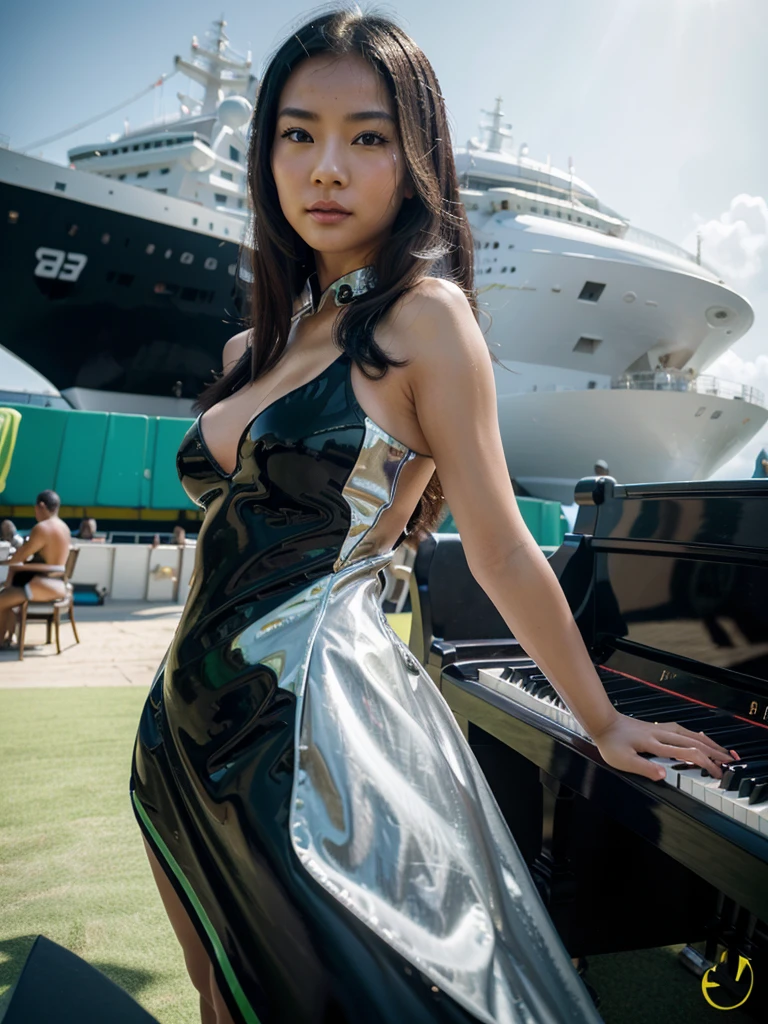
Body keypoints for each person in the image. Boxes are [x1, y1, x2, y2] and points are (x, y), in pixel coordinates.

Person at [130, 13, 732, 1024]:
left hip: (304, 735)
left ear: (415, 161)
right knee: (220, 997)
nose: (327, 166)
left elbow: (499, 542)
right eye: (297, 132)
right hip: (177, 727)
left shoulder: (424, 319)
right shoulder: (251, 349)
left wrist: (603, 718)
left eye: (367, 136)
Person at [0, 490, 71, 646]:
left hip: (42, 586)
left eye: (35, 508)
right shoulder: (64, 528)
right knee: (7, 594)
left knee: (2, 599)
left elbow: (19, 557)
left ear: (41, 506)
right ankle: (7, 638)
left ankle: (3, 640)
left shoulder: (42, 528)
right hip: (58, 584)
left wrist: (3, 563)